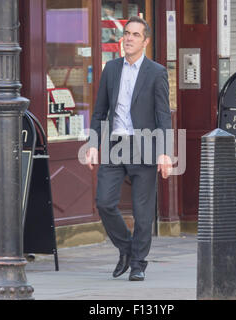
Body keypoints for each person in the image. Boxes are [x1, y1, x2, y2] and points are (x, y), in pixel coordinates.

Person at [85, 16, 172, 281]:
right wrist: (92, 145)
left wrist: (164, 151)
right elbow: (100, 111)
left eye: (136, 34)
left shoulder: (156, 72)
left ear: (145, 41)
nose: (130, 38)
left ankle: (138, 263)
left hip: (144, 144)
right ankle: (126, 248)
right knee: (105, 202)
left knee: (143, 212)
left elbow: (163, 115)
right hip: (114, 145)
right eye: (126, 33)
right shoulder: (110, 69)